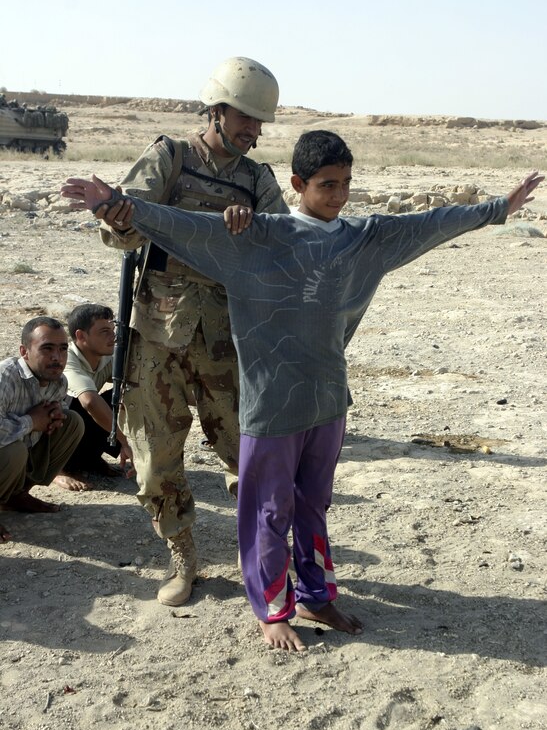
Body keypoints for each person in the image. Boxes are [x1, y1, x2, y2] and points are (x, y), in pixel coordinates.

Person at [61, 131, 543, 651]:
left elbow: (425, 225)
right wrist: (116, 204)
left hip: (328, 400)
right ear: (297, 184)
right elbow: (184, 227)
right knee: (268, 508)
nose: (339, 195)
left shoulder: (363, 238)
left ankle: (316, 593)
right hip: (270, 405)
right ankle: (271, 607)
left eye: (346, 183)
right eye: (327, 184)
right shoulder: (255, 238)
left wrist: (497, 208)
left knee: (313, 503)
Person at [96, 56, 288, 607]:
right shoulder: (170, 158)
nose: (253, 131)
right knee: (156, 459)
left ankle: (266, 560)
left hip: (229, 340)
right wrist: (117, 217)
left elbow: (280, 251)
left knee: (248, 454)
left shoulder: (258, 181)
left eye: (259, 123)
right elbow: (123, 235)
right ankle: (183, 558)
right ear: (218, 108)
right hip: (158, 336)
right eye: (245, 118)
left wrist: (248, 235)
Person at [0, 316, 85, 543]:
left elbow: (53, 420)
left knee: (72, 421)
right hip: (9, 453)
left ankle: (16, 496)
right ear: (24, 351)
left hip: (20, 455)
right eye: (47, 349)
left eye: (63, 349)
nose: (57, 358)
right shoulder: (5, 378)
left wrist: (54, 418)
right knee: (13, 450)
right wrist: (31, 422)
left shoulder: (59, 382)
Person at [53, 303, 133, 491]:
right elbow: (89, 401)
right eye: (104, 331)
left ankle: (89, 460)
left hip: (74, 429)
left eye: (113, 330)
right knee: (78, 407)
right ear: (81, 336)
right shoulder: (68, 358)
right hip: (48, 431)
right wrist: (125, 441)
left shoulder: (106, 357)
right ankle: (57, 470)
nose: (113, 336)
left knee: (124, 395)